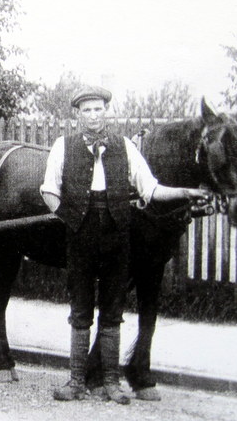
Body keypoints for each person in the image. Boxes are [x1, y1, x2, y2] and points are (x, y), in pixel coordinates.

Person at [40, 86, 209, 404]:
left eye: (98, 109)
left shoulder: (126, 147)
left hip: (117, 235)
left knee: (113, 310)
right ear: (77, 115)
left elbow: (152, 190)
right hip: (81, 234)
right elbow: (49, 190)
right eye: (87, 110)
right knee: (80, 310)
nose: (93, 115)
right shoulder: (63, 146)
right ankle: (76, 381)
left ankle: (111, 383)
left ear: (106, 112)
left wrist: (187, 193)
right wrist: (69, 217)